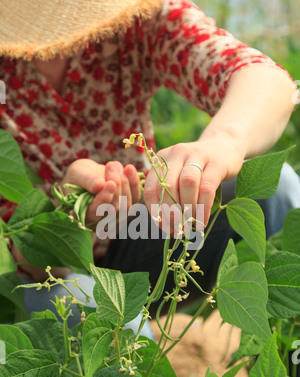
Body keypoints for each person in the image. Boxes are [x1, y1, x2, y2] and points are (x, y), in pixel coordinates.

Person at [0, 0, 299, 332]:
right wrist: (63, 219)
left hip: (137, 232)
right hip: (37, 277)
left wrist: (223, 141)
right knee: (117, 325)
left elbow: (262, 77)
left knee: (276, 189)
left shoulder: (132, 19)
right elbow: (22, 263)